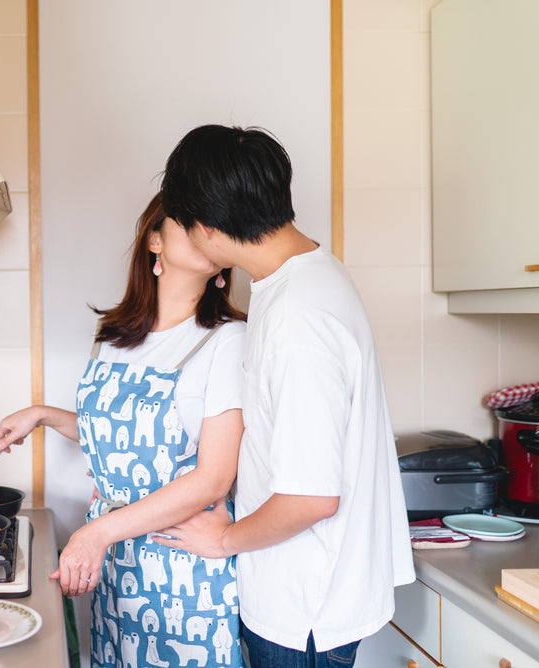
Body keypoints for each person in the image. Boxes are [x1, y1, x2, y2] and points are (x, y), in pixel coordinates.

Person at [155, 124, 415, 668]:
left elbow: (311, 498)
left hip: (303, 612)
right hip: (303, 597)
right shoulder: (302, 277)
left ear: (205, 227)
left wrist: (223, 539)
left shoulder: (300, 318)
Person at [0, 192, 248, 668]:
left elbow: (213, 478)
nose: (206, 230)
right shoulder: (114, 336)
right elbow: (117, 437)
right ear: (155, 239)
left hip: (181, 563)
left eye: (218, 225)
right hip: (114, 563)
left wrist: (97, 534)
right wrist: (44, 414)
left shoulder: (226, 340)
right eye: (192, 219)